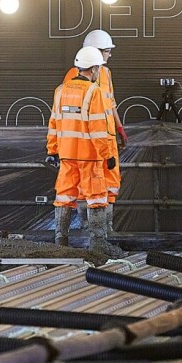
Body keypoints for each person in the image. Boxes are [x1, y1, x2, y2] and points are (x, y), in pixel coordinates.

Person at [46, 46, 122, 256]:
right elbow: (97, 128)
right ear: (94, 69)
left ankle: (60, 242)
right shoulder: (93, 91)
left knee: (63, 196)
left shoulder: (60, 90)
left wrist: (52, 150)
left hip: (66, 155)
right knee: (96, 197)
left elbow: (54, 123)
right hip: (89, 156)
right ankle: (98, 245)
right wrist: (107, 155)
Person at [62, 29, 127, 232]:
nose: (110, 55)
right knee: (86, 187)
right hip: (86, 142)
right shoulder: (74, 76)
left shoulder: (106, 73)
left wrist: (118, 127)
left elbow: (111, 103)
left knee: (109, 183)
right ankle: (90, 232)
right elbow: (70, 112)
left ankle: (106, 232)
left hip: (105, 138)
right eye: (107, 51)